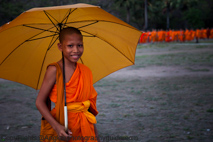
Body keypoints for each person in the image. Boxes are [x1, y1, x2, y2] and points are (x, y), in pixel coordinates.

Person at [36, 27, 99, 142]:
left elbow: (87, 107)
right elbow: (39, 102)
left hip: (85, 126)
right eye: (70, 46)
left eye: (79, 45)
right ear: (60, 47)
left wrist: (96, 135)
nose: (76, 50)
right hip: (62, 124)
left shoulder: (85, 71)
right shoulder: (54, 70)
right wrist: (56, 126)